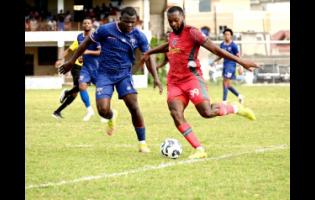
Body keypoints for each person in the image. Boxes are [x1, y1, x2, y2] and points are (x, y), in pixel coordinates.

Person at [141, 6, 259, 159]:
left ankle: (235, 108)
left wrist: (241, 61)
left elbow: (216, 50)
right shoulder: (171, 35)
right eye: (170, 21)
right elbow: (169, 45)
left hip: (192, 79)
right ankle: (199, 149)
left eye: (176, 20)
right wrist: (150, 51)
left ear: (183, 17)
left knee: (207, 112)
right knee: (176, 114)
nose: (174, 24)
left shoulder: (193, 33)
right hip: (174, 82)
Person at [58, 7, 163, 153]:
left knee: (133, 106)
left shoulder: (139, 35)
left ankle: (142, 143)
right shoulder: (105, 30)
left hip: (124, 75)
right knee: (102, 110)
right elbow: (85, 43)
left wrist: (156, 78)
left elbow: (148, 56)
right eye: (127, 22)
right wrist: (70, 62)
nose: (130, 25)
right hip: (104, 75)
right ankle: (112, 116)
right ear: (120, 19)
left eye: (133, 22)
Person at [53, 18, 101, 121]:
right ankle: (64, 103)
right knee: (81, 87)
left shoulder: (95, 38)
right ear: (82, 25)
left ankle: (58, 110)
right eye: (85, 23)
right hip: (77, 67)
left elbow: (97, 51)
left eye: (89, 23)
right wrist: (60, 60)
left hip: (88, 66)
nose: (87, 25)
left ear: (92, 25)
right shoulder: (79, 38)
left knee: (76, 92)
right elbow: (69, 50)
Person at [212, 28, 244, 104]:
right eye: (225, 34)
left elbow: (238, 56)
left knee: (225, 82)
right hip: (225, 65)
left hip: (231, 65)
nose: (226, 36)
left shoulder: (234, 46)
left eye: (228, 34)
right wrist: (215, 61)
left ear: (231, 36)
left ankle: (224, 101)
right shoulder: (222, 45)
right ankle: (239, 96)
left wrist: (240, 66)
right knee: (227, 85)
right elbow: (221, 55)